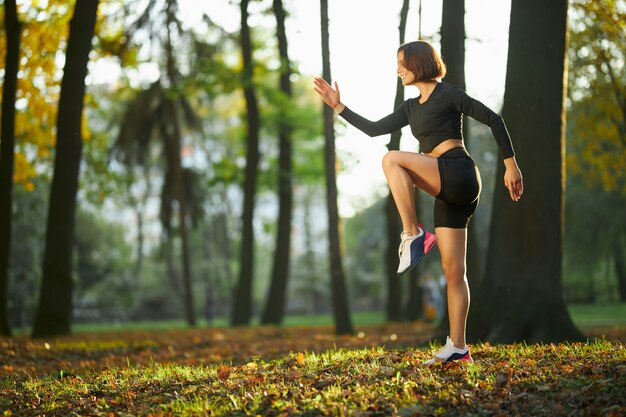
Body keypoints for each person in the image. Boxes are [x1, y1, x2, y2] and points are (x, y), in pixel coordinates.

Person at [313, 40, 523, 365]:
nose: (398, 70)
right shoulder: (410, 108)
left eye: (401, 63)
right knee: (453, 271)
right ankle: (459, 346)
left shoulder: (448, 94)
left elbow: (493, 118)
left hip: (458, 172)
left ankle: (413, 234)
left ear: (419, 63)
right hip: (446, 191)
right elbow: (373, 130)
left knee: (391, 160)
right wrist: (339, 107)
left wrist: (510, 163)